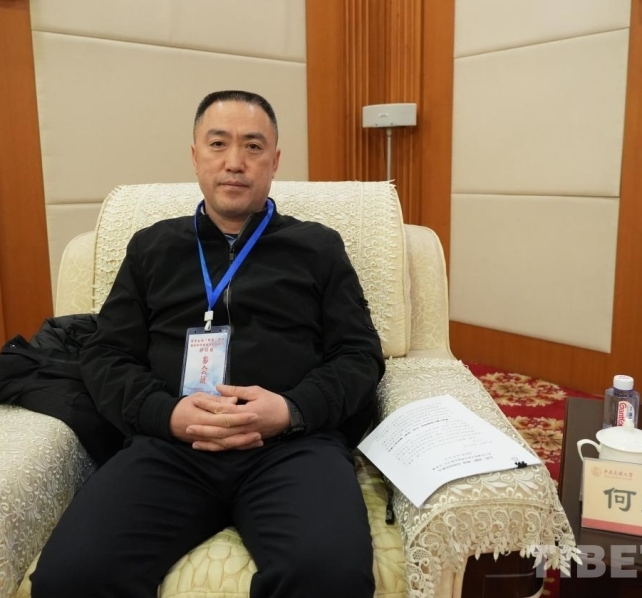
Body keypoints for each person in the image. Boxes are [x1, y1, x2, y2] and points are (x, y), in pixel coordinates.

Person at [30, 90, 385, 598]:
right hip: (170, 445)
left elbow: (360, 354)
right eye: (218, 144)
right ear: (196, 157)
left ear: (274, 161)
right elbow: (106, 354)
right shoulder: (152, 247)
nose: (235, 162)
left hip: (292, 447)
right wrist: (166, 414)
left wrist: (290, 410)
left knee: (330, 574)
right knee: (72, 575)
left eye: (253, 146)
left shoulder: (318, 247)